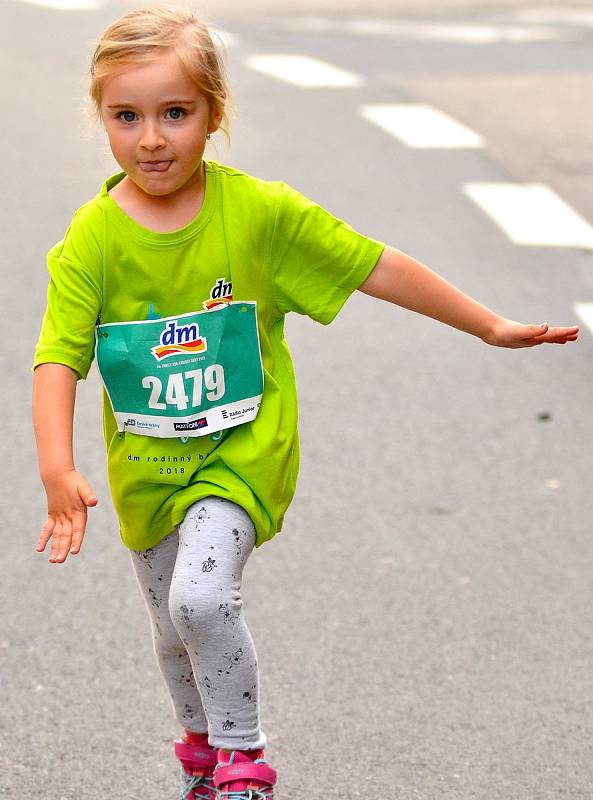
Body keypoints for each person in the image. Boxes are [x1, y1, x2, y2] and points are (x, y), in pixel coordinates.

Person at [31, 5, 579, 800]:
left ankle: (244, 758)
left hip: (242, 455)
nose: (152, 138)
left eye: (175, 113)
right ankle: (201, 752)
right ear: (103, 119)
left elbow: (368, 263)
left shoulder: (258, 214)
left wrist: (487, 325)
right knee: (172, 631)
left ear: (213, 114)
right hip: (146, 468)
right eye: (128, 116)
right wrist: (57, 466)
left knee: (200, 597)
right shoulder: (91, 239)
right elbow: (59, 356)